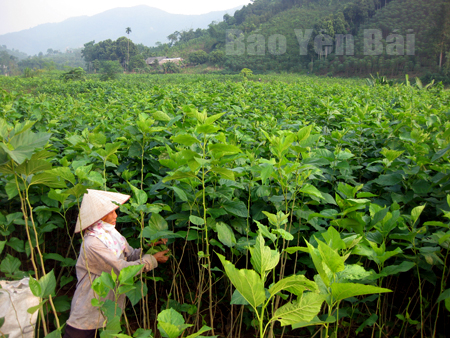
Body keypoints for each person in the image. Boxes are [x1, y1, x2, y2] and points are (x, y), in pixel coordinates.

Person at [64, 189, 169, 338]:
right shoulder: (92, 243)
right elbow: (121, 268)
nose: (115, 216)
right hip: (89, 310)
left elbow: (130, 255)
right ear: (98, 216)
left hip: (109, 309)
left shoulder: (112, 235)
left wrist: (149, 247)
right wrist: (152, 260)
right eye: (111, 212)